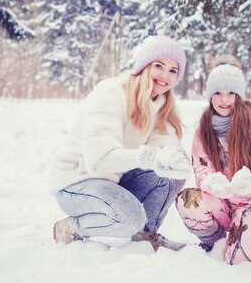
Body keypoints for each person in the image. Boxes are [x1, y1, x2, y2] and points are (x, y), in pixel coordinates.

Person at [50, 35, 192, 251]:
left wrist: (176, 159)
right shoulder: (110, 93)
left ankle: (146, 234)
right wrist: (150, 157)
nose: (165, 76)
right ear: (144, 66)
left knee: (170, 175)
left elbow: (167, 144)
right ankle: (71, 227)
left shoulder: (159, 105)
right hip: (77, 182)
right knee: (129, 217)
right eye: (159, 66)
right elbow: (100, 159)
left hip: (113, 181)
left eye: (173, 70)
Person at [175, 56, 251, 266]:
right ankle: (218, 242)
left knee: (242, 261)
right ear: (210, 96)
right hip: (221, 202)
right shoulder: (203, 131)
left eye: (231, 93)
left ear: (239, 96)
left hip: (250, 204)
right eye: (218, 93)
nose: (224, 100)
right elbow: (202, 169)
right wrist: (213, 183)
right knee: (188, 200)